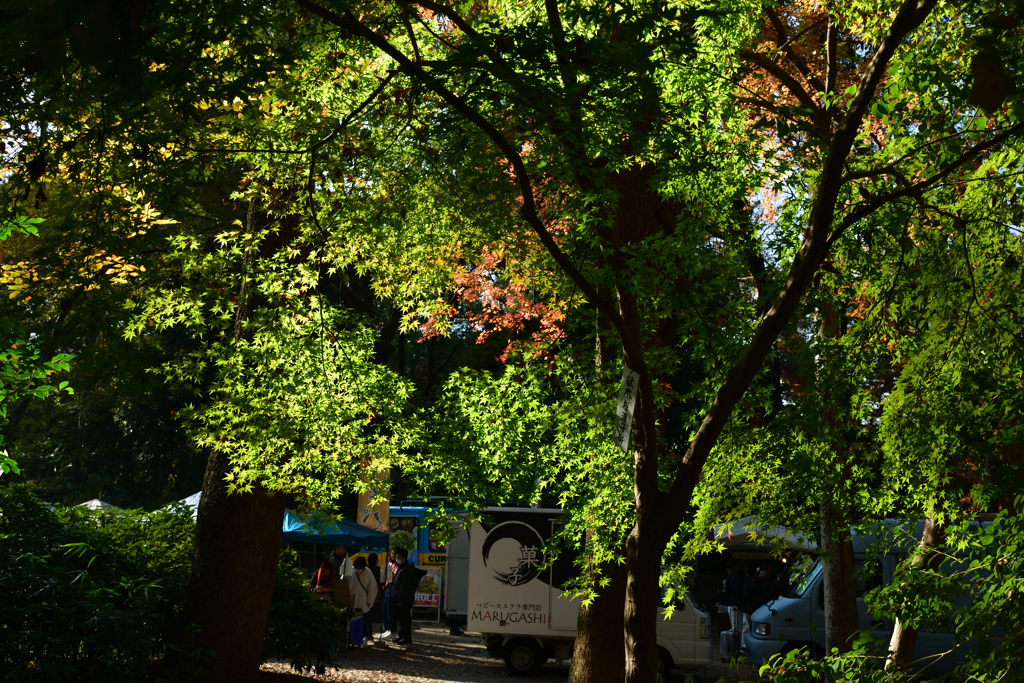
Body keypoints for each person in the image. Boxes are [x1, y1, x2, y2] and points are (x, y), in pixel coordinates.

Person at [349, 556, 378, 647]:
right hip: (353, 600)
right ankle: (354, 639)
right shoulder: (351, 571)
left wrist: (370, 601)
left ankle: (363, 638)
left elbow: (372, 588)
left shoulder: (368, 573)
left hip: (363, 600)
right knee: (354, 620)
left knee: (363, 620)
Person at [392, 547, 417, 645]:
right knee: (402, 619)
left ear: (404, 558)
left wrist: (400, 600)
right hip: (402, 598)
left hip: (405, 600)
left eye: (398, 557)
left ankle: (407, 638)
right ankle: (402, 636)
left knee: (405, 619)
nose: (396, 559)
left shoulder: (406, 569)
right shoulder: (402, 567)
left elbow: (404, 587)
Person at [380, 548, 399, 640]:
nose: (393, 555)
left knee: (392, 611)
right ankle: (387, 629)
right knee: (386, 610)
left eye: (395, 554)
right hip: (387, 590)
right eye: (392, 553)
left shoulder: (397, 566)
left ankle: (393, 631)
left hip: (393, 591)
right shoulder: (389, 564)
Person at [365, 553, 383, 642]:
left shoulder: (366, 570)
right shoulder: (377, 570)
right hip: (375, 595)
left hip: (366, 595)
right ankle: (369, 634)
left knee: (367, 614)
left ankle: (367, 634)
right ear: (376, 561)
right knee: (370, 615)